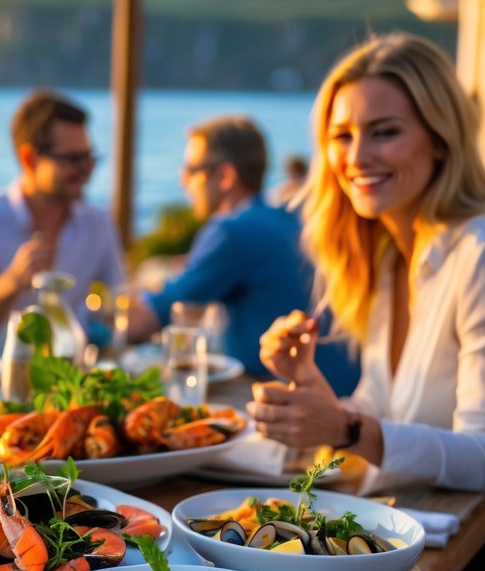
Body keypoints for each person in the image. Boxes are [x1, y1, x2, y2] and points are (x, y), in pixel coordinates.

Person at [249, 32, 485, 495]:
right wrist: (311, 391)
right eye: (342, 136)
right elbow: (384, 410)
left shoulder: (480, 253)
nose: (357, 157)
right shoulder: (389, 255)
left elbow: (482, 456)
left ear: (441, 139)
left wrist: (344, 428)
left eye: (385, 132)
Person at [127, 116, 360, 393]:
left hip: (293, 396)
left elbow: (151, 317)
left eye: (192, 170)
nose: (182, 181)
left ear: (225, 176)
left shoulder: (232, 231)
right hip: (346, 390)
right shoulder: (286, 218)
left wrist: (97, 321)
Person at [0, 89, 126, 357]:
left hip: (71, 384)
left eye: (90, 157)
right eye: (73, 159)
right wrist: (11, 282)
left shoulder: (97, 224)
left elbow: (120, 309)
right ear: (29, 159)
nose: (86, 170)